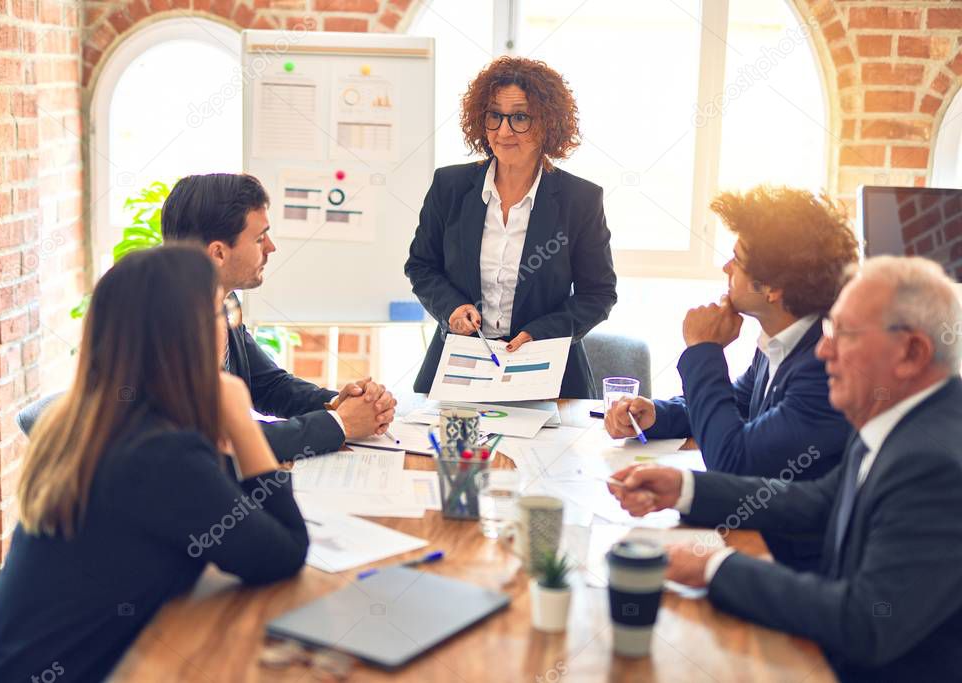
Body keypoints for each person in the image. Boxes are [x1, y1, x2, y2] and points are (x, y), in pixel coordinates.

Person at [0, 246, 310, 682]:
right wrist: (240, 420)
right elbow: (284, 553)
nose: (230, 325)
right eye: (223, 311)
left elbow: (227, 509)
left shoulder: (97, 425)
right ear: (188, 336)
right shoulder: (157, 455)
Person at [609, 256, 962, 681]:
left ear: (911, 352)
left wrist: (713, 567)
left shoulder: (934, 462)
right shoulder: (900, 419)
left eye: (843, 333)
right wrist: (684, 487)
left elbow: (866, 621)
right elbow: (819, 501)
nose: (822, 349)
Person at [605, 186, 857, 569]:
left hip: (790, 563)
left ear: (773, 289)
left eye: (736, 260)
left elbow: (732, 460)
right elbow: (733, 405)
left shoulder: (822, 368)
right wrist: (655, 414)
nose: (726, 268)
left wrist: (703, 350)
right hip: (749, 532)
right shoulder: (782, 340)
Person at [405, 56, 617, 398]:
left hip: (547, 371)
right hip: (460, 363)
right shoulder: (450, 186)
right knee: (448, 452)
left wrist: (540, 333)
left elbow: (599, 294)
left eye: (520, 117)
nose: (504, 131)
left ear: (548, 123)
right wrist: (452, 309)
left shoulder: (580, 199)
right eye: (494, 116)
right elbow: (421, 266)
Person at [161, 173, 396, 462]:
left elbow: (268, 385)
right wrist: (340, 424)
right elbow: (221, 445)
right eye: (259, 238)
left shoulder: (221, 300)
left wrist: (339, 404)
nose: (271, 247)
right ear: (218, 253)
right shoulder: (165, 327)